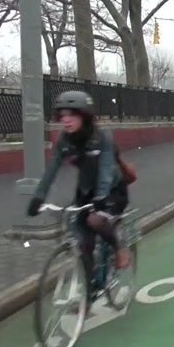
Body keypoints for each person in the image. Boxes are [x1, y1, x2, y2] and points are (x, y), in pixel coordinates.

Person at [26, 90, 132, 279]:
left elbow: (106, 167)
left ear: (84, 115)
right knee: (83, 241)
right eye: (62, 115)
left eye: (72, 114)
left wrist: (101, 196)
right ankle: (88, 290)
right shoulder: (64, 140)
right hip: (86, 190)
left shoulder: (101, 136)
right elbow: (52, 168)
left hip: (113, 189)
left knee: (95, 220)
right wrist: (39, 196)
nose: (66, 120)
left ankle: (119, 249)